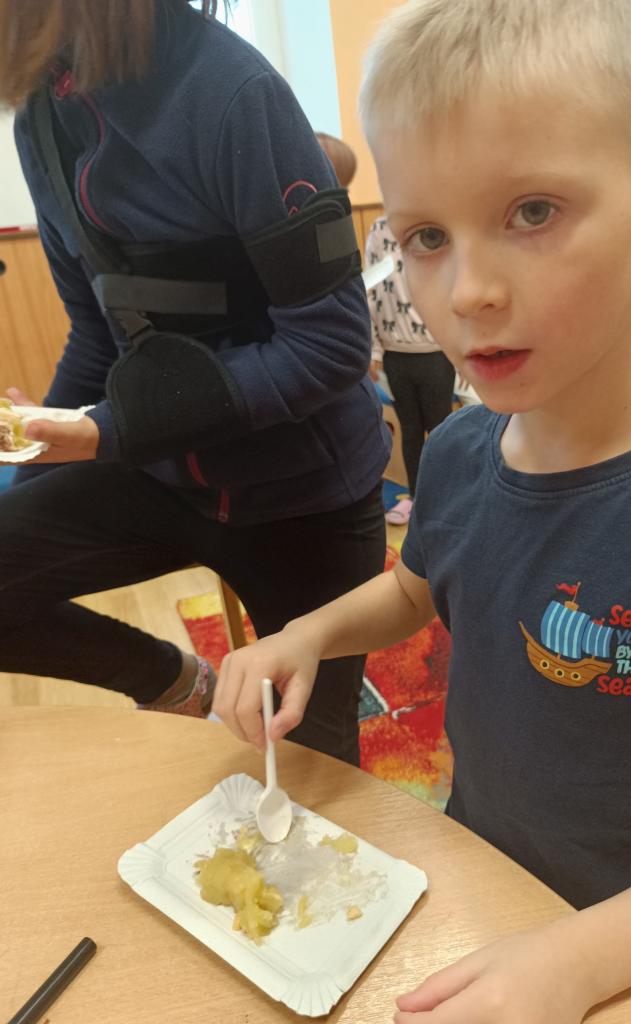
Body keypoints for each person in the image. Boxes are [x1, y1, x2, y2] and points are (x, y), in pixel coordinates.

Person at [213, 1, 631, 1022]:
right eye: (426, 236)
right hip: (473, 886)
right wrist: (308, 634)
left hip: (625, 966)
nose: (466, 292)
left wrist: (577, 964)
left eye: (532, 211)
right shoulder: (463, 451)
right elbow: (416, 589)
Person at [0, 0, 391, 766]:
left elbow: (332, 344)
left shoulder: (234, 92)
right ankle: (172, 680)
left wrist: (109, 430)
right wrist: (42, 445)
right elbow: (97, 336)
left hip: (306, 501)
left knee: (310, 769)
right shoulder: (41, 120)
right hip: (159, 480)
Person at [366, 215, 457, 525]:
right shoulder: (379, 230)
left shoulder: (434, 222)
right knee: (411, 431)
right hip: (395, 353)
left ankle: (449, 498)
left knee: (441, 430)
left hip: (434, 351)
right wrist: (374, 349)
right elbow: (370, 291)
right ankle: (417, 498)